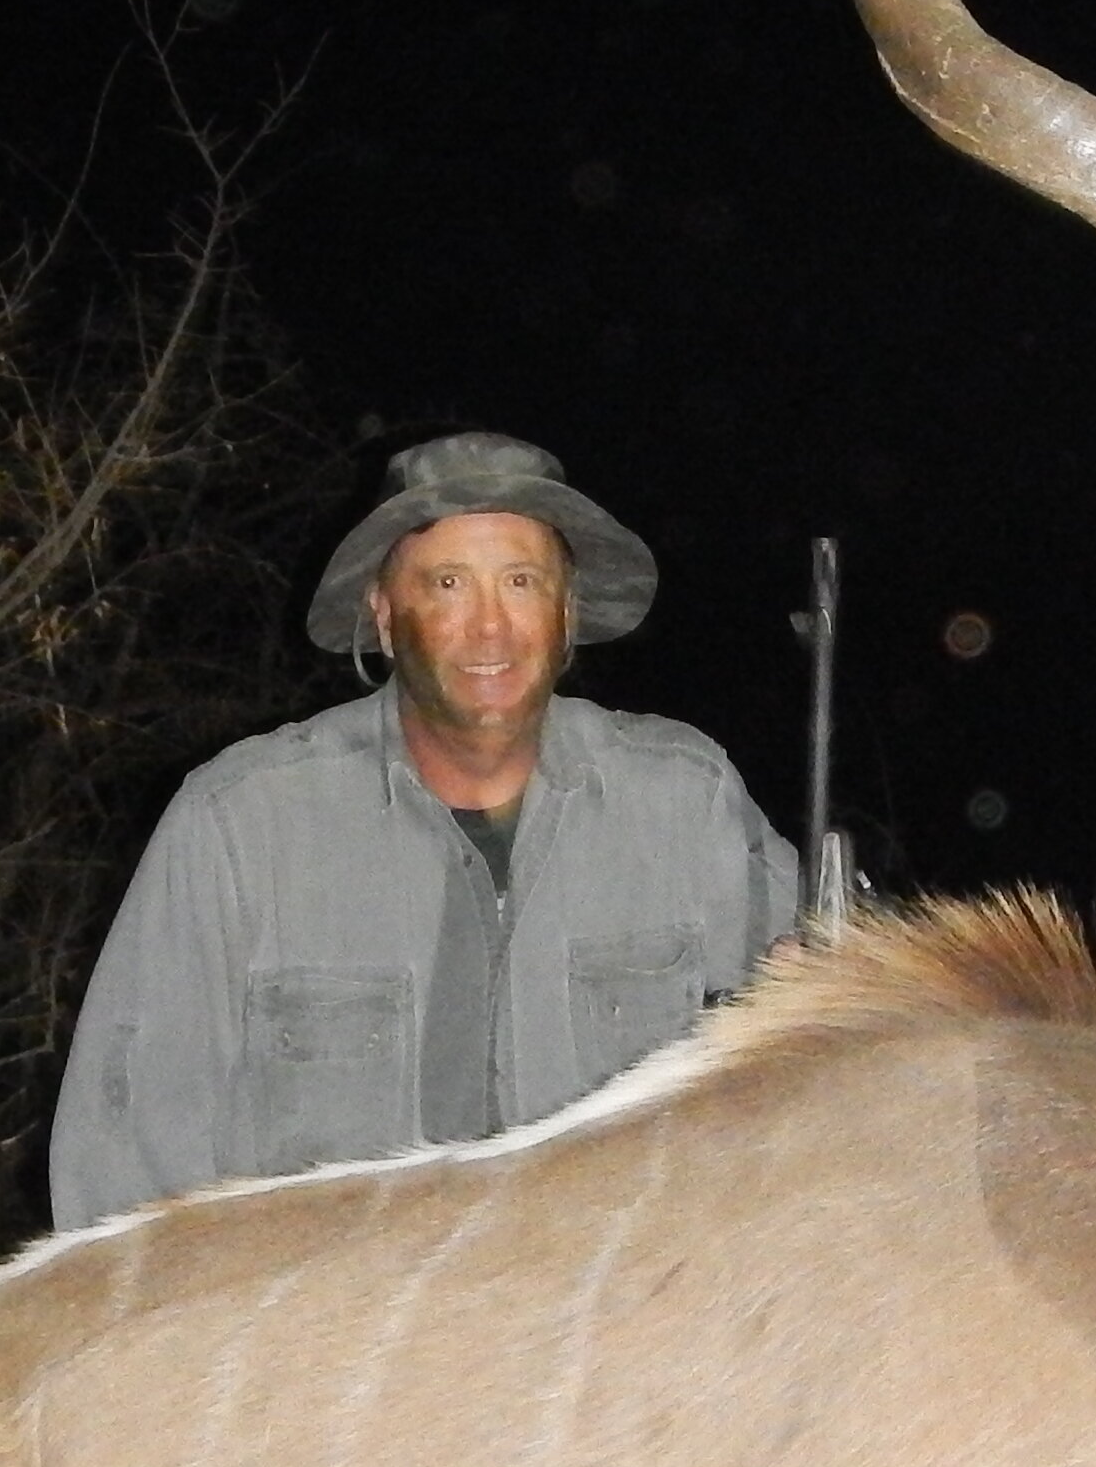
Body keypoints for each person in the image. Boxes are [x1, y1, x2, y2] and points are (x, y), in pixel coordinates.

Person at [45, 432, 797, 1226]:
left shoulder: (684, 800)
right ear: (383, 611)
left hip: (612, 1325)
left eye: (520, 581)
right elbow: (119, 1169)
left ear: (567, 610)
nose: (490, 628)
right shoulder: (239, 825)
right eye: (446, 583)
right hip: (336, 1333)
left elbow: (831, 1045)